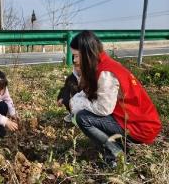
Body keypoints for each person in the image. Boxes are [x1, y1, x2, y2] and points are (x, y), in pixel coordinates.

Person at [69, 30, 162, 167]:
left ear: (87, 53)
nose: (74, 60)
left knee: (83, 117)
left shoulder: (106, 73)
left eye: (76, 56)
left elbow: (103, 108)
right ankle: (116, 145)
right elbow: (89, 91)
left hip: (139, 127)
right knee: (81, 112)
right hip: (134, 120)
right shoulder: (102, 65)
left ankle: (116, 154)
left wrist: (78, 105)